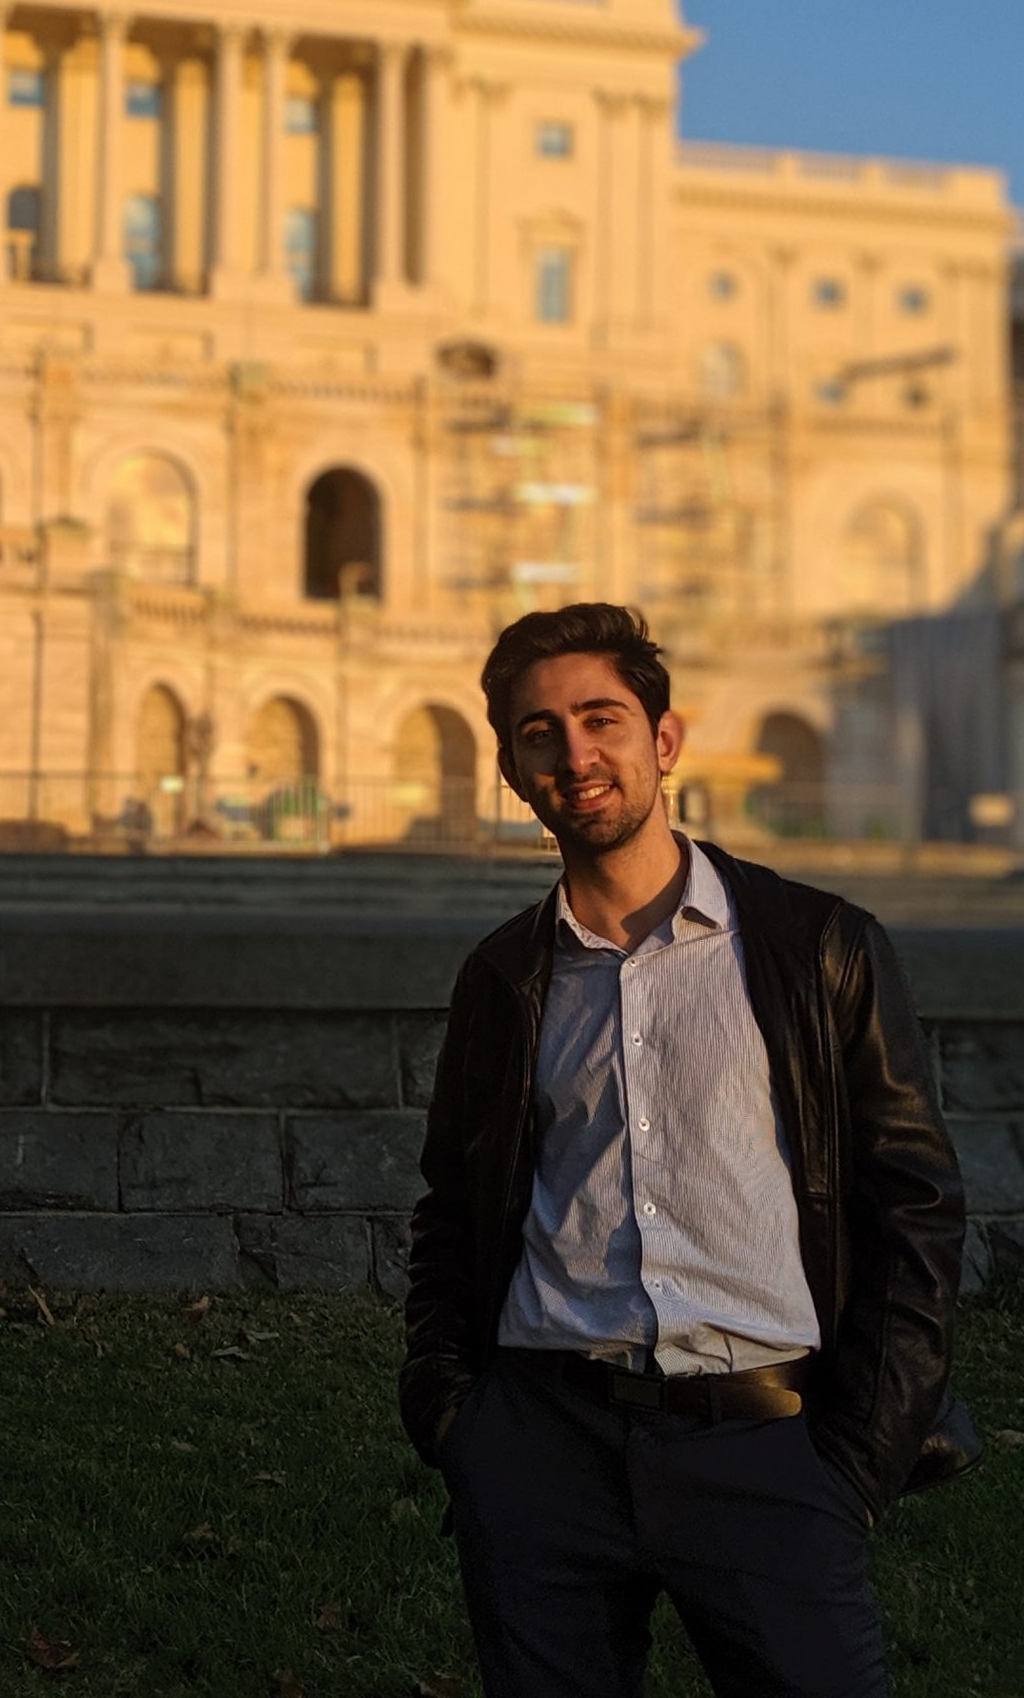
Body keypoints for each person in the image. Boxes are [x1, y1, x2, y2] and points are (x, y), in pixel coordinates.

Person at [402, 602, 974, 1698]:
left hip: (771, 1443)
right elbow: (450, 1202)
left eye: (601, 718)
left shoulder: (820, 946)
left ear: (664, 741)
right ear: (515, 769)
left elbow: (915, 1204)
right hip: (543, 1445)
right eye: (539, 732)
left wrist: (860, 1459)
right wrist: (454, 1415)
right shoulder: (504, 976)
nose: (575, 753)